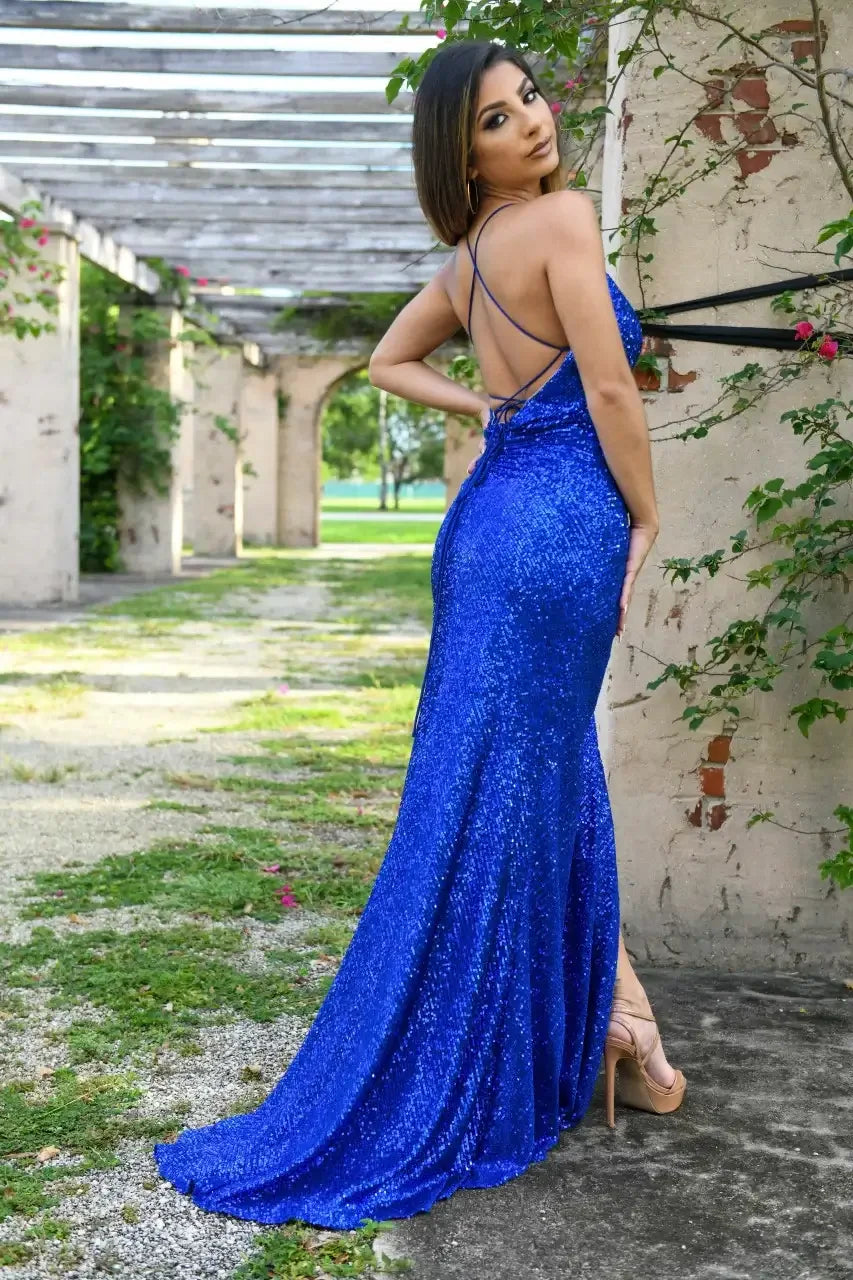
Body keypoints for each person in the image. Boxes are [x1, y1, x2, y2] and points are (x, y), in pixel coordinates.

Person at [153, 37, 685, 1230]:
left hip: (486, 523)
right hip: (561, 524)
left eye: (530, 98)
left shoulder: (470, 258)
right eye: (497, 121)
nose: (532, 124)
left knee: (503, 787)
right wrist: (648, 513)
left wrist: (487, 405)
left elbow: (391, 364)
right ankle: (606, 1035)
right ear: (463, 153)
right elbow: (608, 391)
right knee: (533, 785)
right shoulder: (562, 220)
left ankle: (616, 1032)